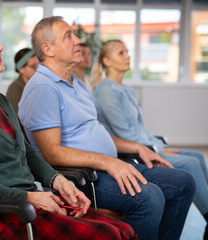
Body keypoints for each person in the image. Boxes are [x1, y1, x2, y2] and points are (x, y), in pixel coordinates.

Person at [0, 9, 137, 240]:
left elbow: (28, 156)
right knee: (110, 236)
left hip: (26, 204)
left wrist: (58, 181)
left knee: (125, 231)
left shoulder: (0, 100)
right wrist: (29, 197)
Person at [18, 16, 196, 240]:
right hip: (79, 178)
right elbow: (51, 153)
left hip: (106, 168)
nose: (77, 41)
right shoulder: (42, 88)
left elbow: (94, 131)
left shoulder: (77, 83)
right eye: (68, 36)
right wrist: (109, 162)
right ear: (48, 49)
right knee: (150, 198)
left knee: (183, 182)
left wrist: (136, 147)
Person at [92, 39, 208, 239]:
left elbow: (141, 130)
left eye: (127, 51)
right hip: (130, 154)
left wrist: (160, 147)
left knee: (197, 155)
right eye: (121, 53)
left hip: (146, 147)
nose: (128, 56)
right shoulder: (106, 91)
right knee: (190, 163)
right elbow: (126, 135)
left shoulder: (125, 89)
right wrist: (160, 151)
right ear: (107, 61)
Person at [6, 48, 38, 113]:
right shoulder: (15, 88)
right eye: (33, 66)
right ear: (21, 69)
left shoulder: (39, 84)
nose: (38, 69)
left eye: (39, 64)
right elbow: (16, 119)